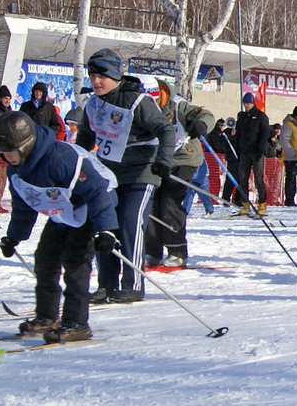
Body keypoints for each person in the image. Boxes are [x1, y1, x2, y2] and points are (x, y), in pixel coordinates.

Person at [0, 111, 121, 343]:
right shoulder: (16, 170)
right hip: (62, 211)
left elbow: (97, 190)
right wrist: (14, 237)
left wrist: (106, 230)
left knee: (75, 262)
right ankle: (47, 317)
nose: (7, 157)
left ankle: (76, 322)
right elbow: (25, 204)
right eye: (2, 153)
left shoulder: (60, 158)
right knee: (45, 259)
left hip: (90, 209)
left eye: (10, 151)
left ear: (26, 144)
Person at [76, 50, 174, 303]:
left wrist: (163, 161)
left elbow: (165, 129)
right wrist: (75, 165)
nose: (96, 81)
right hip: (109, 174)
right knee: (105, 226)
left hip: (141, 172)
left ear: (115, 76)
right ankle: (106, 285)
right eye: (92, 76)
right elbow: (85, 139)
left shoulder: (137, 101)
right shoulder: (93, 104)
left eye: (102, 76)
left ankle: (133, 284)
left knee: (130, 224)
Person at [144, 79, 213, 268]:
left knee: (169, 201)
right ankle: (152, 250)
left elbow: (205, 114)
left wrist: (202, 124)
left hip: (183, 159)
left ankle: (177, 250)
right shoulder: (141, 106)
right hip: (158, 160)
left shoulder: (177, 105)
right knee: (150, 203)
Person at [231, 92, 271, 211]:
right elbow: (239, 134)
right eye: (244, 103)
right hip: (244, 152)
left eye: (247, 103)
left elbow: (265, 134)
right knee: (242, 178)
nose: (245, 105)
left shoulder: (261, 116)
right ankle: (245, 204)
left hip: (256, 152)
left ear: (252, 103)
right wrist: (237, 146)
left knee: (258, 178)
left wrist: (261, 149)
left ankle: (262, 203)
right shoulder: (242, 117)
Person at [276, 105, 297, 206]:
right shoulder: (288, 125)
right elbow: (284, 141)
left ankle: (292, 198)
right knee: (291, 179)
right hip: (291, 158)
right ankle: (289, 200)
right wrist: (293, 153)